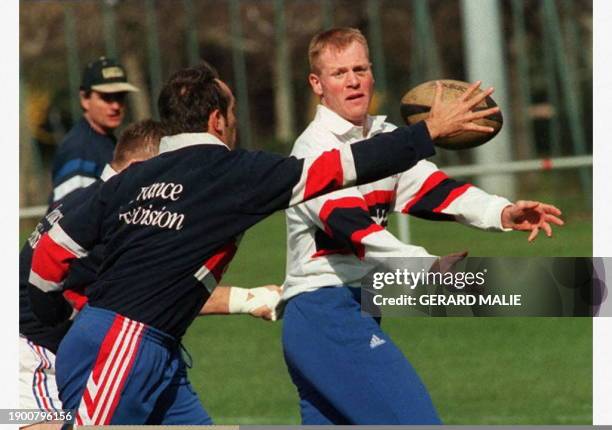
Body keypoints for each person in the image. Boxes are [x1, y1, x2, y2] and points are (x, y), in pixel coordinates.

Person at [28, 61, 496, 425]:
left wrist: (58, 320)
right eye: (232, 112)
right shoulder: (236, 173)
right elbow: (341, 167)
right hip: (124, 346)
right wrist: (427, 132)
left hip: (146, 347)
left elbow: (52, 253)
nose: (235, 122)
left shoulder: (130, 177)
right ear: (217, 120)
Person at [281, 27, 565, 425]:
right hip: (324, 312)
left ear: (372, 74)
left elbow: (433, 190)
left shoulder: (384, 138)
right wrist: (425, 267)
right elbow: (355, 229)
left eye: (360, 69)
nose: (353, 81)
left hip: (353, 309)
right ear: (317, 83)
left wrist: (502, 212)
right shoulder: (313, 151)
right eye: (339, 72)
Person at [20, 120, 164, 429]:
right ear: (138, 167)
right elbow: (151, 297)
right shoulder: (114, 215)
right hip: (30, 356)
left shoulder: (88, 200)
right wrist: (246, 300)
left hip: (49, 351)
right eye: (164, 171)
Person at [49, 57, 139, 204]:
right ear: (85, 98)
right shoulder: (79, 148)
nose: (116, 106)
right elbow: (69, 214)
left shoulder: (106, 141)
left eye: (120, 97)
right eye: (106, 97)